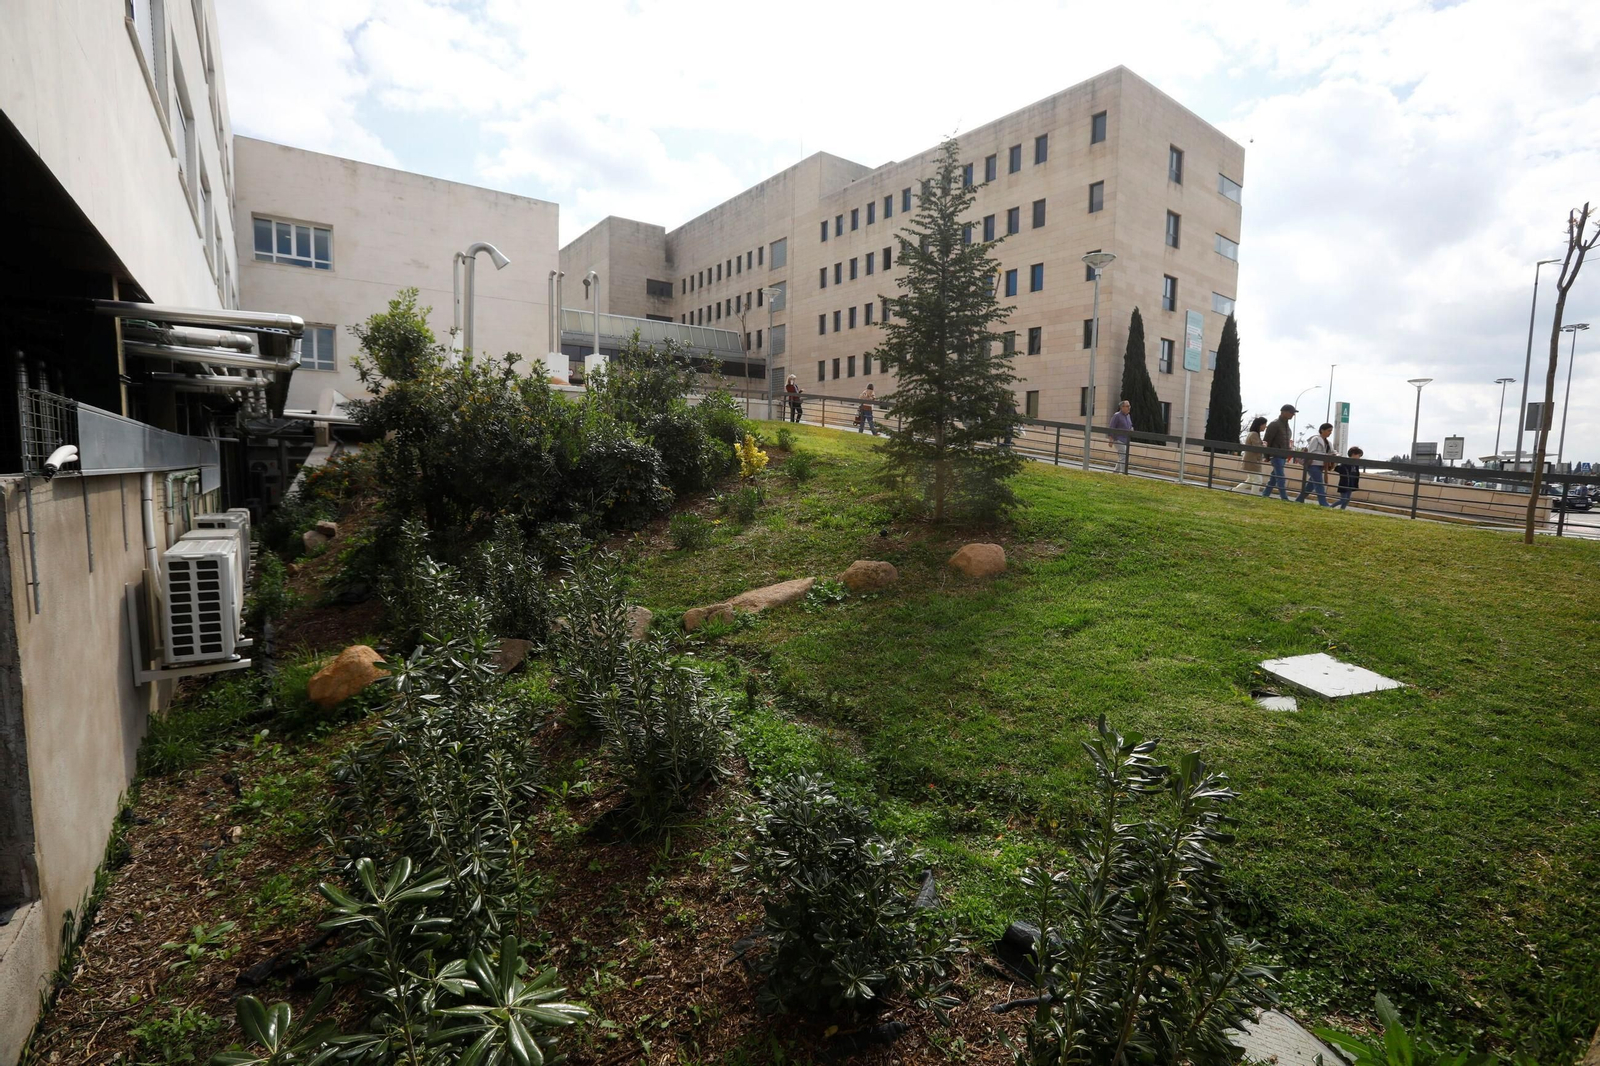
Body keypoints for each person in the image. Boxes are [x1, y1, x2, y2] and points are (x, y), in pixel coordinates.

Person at [1260, 404, 1295, 500]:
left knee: (1274, 479)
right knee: (1281, 477)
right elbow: (1267, 441)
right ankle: (1284, 498)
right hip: (1275, 455)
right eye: (1291, 412)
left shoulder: (1286, 426)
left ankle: (1265, 495)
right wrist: (1266, 456)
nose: (1293, 414)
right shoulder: (1274, 424)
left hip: (1282, 456)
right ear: (1283, 412)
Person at [1296, 422, 1335, 506]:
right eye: (1329, 430)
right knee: (1319, 484)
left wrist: (1335, 454)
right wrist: (1326, 455)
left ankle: (1298, 500)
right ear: (1322, 430)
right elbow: (1311, 452)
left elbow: (1332, 451)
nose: (1330, 433)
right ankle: (1323, 504)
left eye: (1331, 431)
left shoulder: (1328, 442)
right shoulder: (1316, 439)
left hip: (1320, 466)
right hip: (1313, 464)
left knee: (1310, 486)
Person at [1235, 416, 1268, 492]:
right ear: (1260, 425)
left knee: (1250, 480)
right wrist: (1264, 445)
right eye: (1265, 424)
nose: (1265, 427)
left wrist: (1262, 443)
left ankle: (1234, 490)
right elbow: (1257, 448)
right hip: (1252, 461)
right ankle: (1254, 495)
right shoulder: (1254, 434)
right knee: (1258, 480)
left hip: (1252, 461)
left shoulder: (1253, 434)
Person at [1109, 399, 1134, 474]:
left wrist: (1131, 429)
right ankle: (1123, 473)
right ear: (1122, 407)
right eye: (1127, 406)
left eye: (1129, 406)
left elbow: (1130, 426)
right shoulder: (1117, 415)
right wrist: (1111, 440)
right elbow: (1112, 427)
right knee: (1124, 455)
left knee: (1122, 456)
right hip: (1118, 439)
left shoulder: (1128, 416)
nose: (1129, 408)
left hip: (1125, 440)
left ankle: (1115, 472)